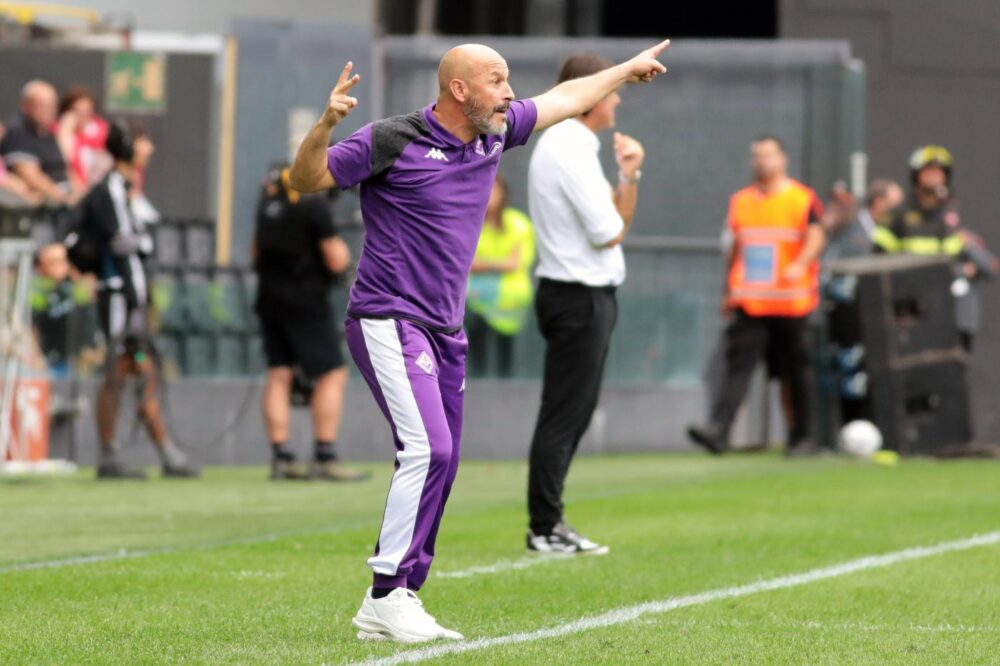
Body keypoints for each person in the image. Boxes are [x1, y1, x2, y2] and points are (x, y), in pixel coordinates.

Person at [289, 40, 670, 643]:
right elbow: (305, 177)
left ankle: (401, 595)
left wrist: (626, 69)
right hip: (389, 318)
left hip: (446, 328)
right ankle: (385, 593)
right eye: (497, 80)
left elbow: (567, 97)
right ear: (459, 89)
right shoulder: (391, 138)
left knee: (443, 460)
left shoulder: (495, 135)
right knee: (428, 450)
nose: (509, 92)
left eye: (509, 79)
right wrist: (325, 124)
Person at [524, 53, 645, 556]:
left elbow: (608, 225)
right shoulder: (567, 145)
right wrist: (629, 185)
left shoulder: (570, 144)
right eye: (612, 90)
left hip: (580, 294)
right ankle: (544, 526)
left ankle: (548, 522)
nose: (616, 100)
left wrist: (627, 176)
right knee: (564, 413)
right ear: (590, 93)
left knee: (573, 410)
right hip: (577, 297)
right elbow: (610, 232)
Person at [687, 135, 826, 457]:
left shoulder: (801, 199)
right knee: (737, 368)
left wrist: (800, 264)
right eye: (757, 156)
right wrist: (727, 291)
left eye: (768, 155)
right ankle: (719, 432)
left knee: (795, 372)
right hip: (751, 302)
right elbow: (734, 248)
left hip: (791, 302)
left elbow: (817, 236)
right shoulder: (741, 201)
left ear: (783, 159)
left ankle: (801, 437)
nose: (761, 162)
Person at [79, 120, 198, 480]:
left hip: (131, 297)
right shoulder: (111, 189)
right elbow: (123, 244)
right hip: (119, 295)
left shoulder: (125, 189)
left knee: (141, 370)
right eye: (143, 142)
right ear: (128, 147)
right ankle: (113, 455)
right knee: (117, 372)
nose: (149, 149)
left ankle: (164, 453)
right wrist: (135, 299)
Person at [253, 163, 368, 482]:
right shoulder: (314, 205)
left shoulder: (267, 205)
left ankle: (281, 457)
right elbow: (336, 258)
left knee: (279, 374)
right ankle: (324, 455)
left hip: (269, 299)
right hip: (305, 301)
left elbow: (254, 253)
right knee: (332, 373)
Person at [872, 146, 995, 351]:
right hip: (909, 308)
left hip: (946, 309)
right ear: (916, 175)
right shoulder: (897, 216)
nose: (934, 177)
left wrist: (963, 270)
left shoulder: (952, 216)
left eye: (939, 172)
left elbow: (982, 262)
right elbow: (878, 260)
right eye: (928, 171)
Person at [466, 174, 535, 378]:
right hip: (475, 299)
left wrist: (483, 264)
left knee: (505, 351)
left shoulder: (518, 224)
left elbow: (517, 263)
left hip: (508, 300)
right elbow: (466, 261)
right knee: (477, 348)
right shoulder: (471, 223)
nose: (490, 196)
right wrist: (500, 264)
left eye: (495, 191)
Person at [0, 80, 80, 205]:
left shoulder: (47, 132)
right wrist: (64, 199)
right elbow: (30, 176)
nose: (49, 110)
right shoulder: (17, 132)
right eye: (43, 105)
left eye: (53, 105)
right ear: (26, 106)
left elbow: (66, 169)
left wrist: (81, 197)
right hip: (50, 206)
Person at [822, 179, 903, 263]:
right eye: (889, 205)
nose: (892, 212)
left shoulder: (877, 229)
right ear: (878, 201)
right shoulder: (850, 221)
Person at [55, 85, 111, 190]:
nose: (83, 116)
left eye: (87, 111)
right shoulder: (58, 132)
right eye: (78, 112)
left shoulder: (103, 131)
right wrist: (65, 130)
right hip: (73, 189)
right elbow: (63, 161)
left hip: (102, 189)